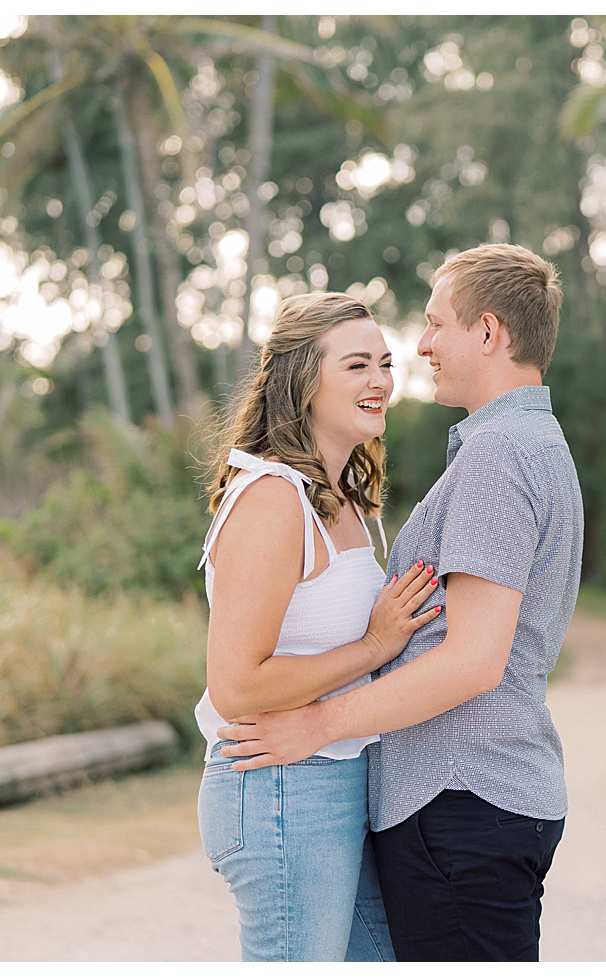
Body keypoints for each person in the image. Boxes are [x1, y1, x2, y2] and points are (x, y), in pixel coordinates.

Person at [217, 244, 584, 962]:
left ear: (487, 332)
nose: (419, 348)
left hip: (463, 800)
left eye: (434, 324)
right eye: (363, 361)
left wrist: (319, 724)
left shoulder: (497, 454)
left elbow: (474, 660)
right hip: (472, 802)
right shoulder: (532, 443)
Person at [194, 291, 442, 962]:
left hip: (337, 787)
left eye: (385, 363)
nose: (381, 381)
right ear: (303, 380)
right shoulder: (273, 498)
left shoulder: (345, 499)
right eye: (357, 364)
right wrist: (372, 646)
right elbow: (236, 685)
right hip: (281, 792)